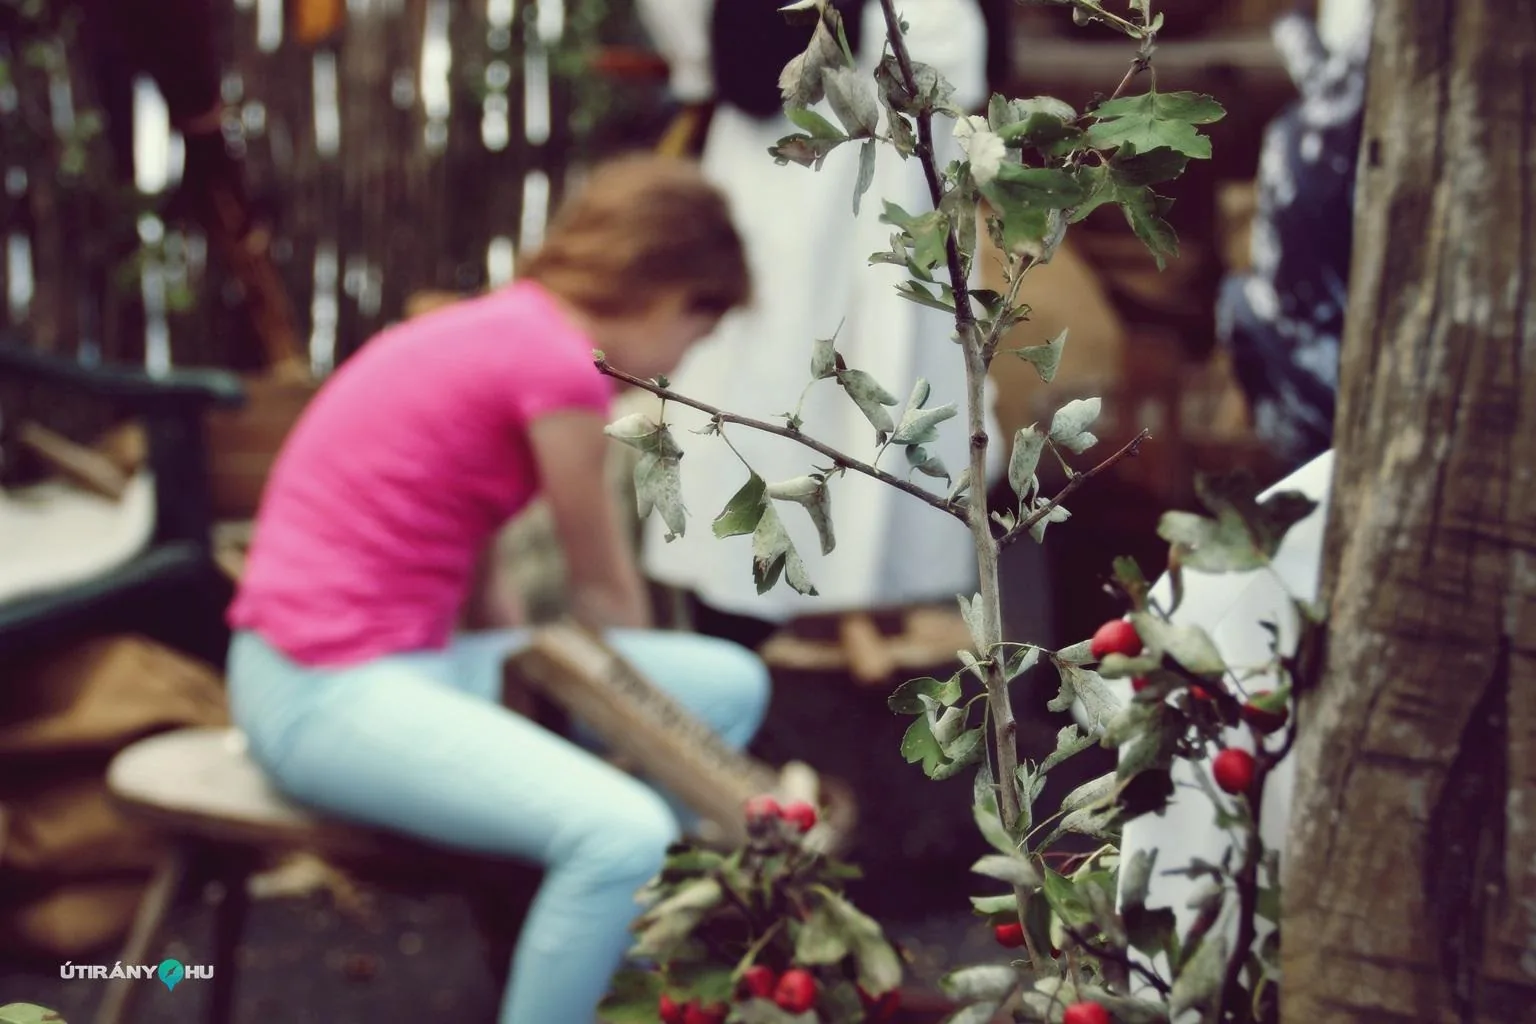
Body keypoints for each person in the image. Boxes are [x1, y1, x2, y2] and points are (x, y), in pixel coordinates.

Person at [223, 155, 769, 1024]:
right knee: (620, 832)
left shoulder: (497, 328)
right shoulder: (562, 369)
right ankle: (606, 912)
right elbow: (604, 594)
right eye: (695, 337)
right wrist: (645, 748)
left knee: (730, 683)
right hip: (321, 689)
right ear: (669, 296)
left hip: (407, 663)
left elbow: (477, 560)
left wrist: (544, 707)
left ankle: (615, 963)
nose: (682, 362)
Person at [634, 0, 1000, 649]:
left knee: (903, 356)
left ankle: (884, 606)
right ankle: (744, 604)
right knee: (773, 360)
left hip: (919, 150)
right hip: (790, 134)